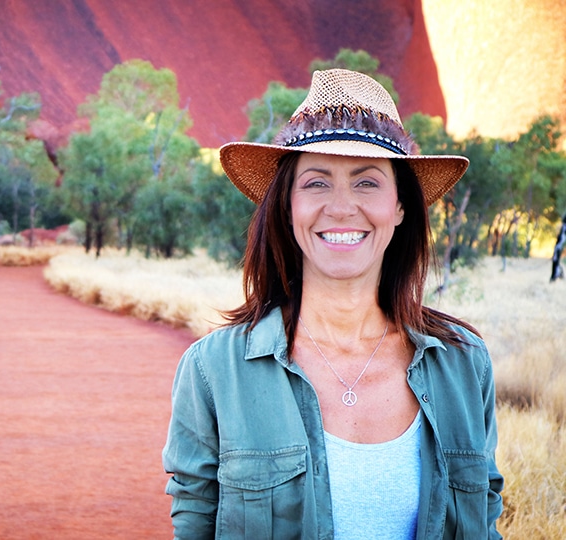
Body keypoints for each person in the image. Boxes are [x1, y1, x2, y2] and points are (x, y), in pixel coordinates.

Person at [162, 69, 503, 539]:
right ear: (287, 206)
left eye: (366, 182)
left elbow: (482, 524)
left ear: (400, 206)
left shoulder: (464, 365)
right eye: (317, 182)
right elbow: (195, 525)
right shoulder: (214, 370)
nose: (341, 207)